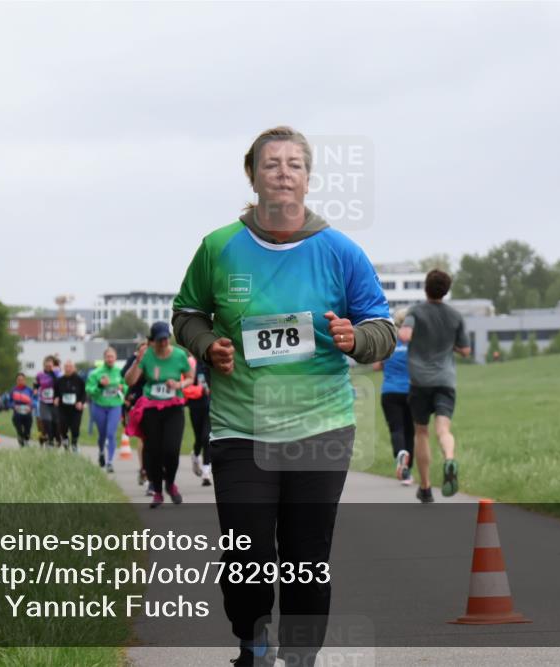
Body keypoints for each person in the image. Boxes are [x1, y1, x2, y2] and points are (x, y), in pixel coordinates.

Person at [172, 126, 394, 665]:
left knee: (305, 558)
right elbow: (186, 314)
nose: (284, 173)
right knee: (247, 554)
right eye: (272, 164)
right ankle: (252, 642)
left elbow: (382, 327)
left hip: (320, 427)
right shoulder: (219, 247)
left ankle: (299, 657)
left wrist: (355, 338)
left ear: (309, 178)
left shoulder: (340, 251)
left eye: (295, 164)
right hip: (239, 426)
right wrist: (208, 345)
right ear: (252, 175)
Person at [398, 269, 471, 503]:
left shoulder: (416, 311)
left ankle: (426, 488)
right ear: (446, 290)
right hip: (446, 381)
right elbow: (466, 351)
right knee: (443, 430)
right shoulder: (455, 316)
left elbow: (406, 336)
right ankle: (449, 458)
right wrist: (451, 346)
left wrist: (402, 328)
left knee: (421, 431)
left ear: (425, 288)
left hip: (420, 382)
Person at [124, 322, 193, 509]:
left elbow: (190, 377)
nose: (163, 342)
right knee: (152, 451)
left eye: (165, 338)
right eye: (159, 340)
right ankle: (157, 492)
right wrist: (138, 361)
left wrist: (179, 385)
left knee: (171, 449)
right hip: (151, 408)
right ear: (152, 341)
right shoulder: (146, 356)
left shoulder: (179, 355)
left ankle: (170, 483)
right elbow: (130, 380)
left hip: (173, 407)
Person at [374, 308, 415, 486]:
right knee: (410, 431)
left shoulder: (389, 341)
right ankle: (408, 471)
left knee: (396, 429)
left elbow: (376, 366)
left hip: (389, 392)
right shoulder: (414, 343)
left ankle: (400, 456)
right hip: (411, 392)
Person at [86, 347, 128, 471]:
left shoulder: (120, 372)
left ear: (115, 358)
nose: (110, 359)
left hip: (115, 406)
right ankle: (101, 452)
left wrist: (122, 388)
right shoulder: (96, 373)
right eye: (108, 356)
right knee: (102, 434)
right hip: (99, 405)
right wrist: (100, 385)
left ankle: (109, 462)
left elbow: (126, 386)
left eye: (112, 356)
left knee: (111, 433)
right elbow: (89, 389)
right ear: (104, 358)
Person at [122, 341, 151, 490]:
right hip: (138, 402)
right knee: (144, 438)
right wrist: (137, 362)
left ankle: (152, 469)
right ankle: (144, 469)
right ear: (138, 352)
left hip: (156, 402)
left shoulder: (157, 361)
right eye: (142, 351)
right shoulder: (134, 362)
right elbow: (127, 379)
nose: (146, 353)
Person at [185, 354, 213, 486]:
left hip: (210, 405)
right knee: (198, 438)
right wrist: (199, 391)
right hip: (195, 405)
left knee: (206, 437)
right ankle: (195, 455)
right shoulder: (189, 363)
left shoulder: (210, 362)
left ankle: (206, 472)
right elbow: (184, 387)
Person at [54, 359, 86, 452]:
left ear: (74, 368)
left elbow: (84, 393)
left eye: (70, 367)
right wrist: (56, 398)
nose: (68, 369)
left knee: (75, 428)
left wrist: (81, 402)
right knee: (63, 427)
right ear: (64, 368)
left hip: (76, 409)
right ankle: (65, 441)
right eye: (66, 367)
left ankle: (74, 443)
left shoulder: (79, 380)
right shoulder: (59, 381)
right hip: (63, 408)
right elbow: (56, 393)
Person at [35, 356, 59, 446]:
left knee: (55, 423)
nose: (48, 365)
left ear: (53, 365)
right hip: (43, 401)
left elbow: (58, 383)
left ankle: (56, 438)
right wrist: (35, 389)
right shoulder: (39, 374)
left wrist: (52, 372)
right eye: (47, 363)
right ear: (44, 364)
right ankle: (50, 441)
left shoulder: (57, 373)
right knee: (46, 421)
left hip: (54, 402)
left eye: (50, 363)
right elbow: (36, 383)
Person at [9, 373, 35, 446]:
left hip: (27, 413)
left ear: (25, 381)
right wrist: (14, 406)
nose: (20, 381)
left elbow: (34, 400)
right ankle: (20, 439)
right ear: (16, 381)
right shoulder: (13, 390)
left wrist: (31, 407)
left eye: (22, 380)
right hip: (17, 413)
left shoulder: (29, 390)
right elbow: (9, 402)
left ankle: (26, 439)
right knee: (19, 429)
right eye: (19, 380)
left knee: (27, 430)